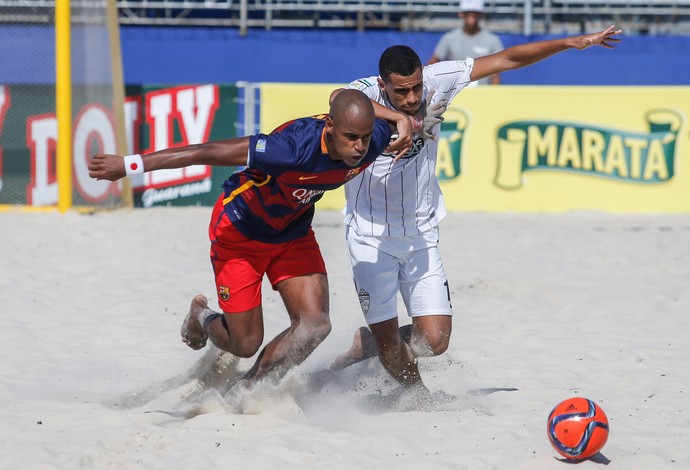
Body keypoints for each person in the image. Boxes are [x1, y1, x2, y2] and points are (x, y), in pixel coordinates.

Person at [330, 26, 623, 391]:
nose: (411, 98)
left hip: (421, 232)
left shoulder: (439, 80)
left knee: (434, 341)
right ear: (383, 84)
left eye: (416, 87)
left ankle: (368, 340)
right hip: (370, 237)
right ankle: (418, 397)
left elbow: (508, 58)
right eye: (401, 91)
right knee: (393, 346)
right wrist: (397, 119)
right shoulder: (365, 94)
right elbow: (338, 97)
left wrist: (570, 42)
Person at [88, 89, 398, 389]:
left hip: (292, 233)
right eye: (351, 138)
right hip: (240, 231)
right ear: (330, 127)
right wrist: (130, 165)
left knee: (315, 326)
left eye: (365, 138)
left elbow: (345, 96)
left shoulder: (374, 139)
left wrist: (404, 118)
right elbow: (203, 152)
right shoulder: (288, 149)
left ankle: (251, 388)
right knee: (245, 343)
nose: (359, 147)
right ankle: (201, 315)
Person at [428, 0, 504, 85]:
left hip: (482, 94)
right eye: (467, 12)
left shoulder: (492, 40)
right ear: (461, 14)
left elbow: (496, 74)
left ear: (481, 14)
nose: (471, 15)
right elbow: (433, 63)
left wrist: (493, 94)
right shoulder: (449, 38)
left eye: (475, 12)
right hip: (454, 93)